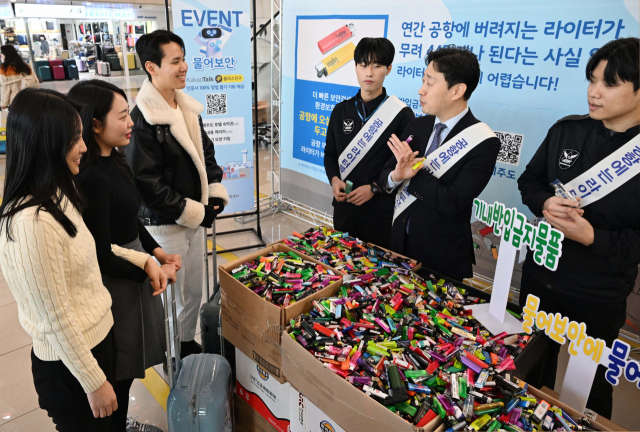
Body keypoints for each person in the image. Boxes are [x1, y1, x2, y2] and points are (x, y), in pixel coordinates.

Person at [0, 88, 168, 432]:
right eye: (74, 139)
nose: (83, 147)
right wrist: (94, 381)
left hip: (96, 343)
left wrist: (145, 261)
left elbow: (91, 245)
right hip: (71, 368)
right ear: (45, 145)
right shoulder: (32, 222)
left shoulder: (57, 195)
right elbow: (55, 316)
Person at [517, 37, 639, 418]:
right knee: (528, 369)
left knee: (592, 389)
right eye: (591, 80)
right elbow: (529, 182)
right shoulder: (567, 131)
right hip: (542, 276)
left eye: (609, 83)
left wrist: (592, 237)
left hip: (599, 291)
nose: (594, 92)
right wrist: (543, 202)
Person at [69, 80, 180, 432]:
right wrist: (148, 268)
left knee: (132, 366)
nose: (131, 122)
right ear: (95, 124)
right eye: (122, 116)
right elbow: (101, 254)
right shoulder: (90, 178)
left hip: (134, 269)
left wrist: (158, 252)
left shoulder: (114, 160)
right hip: (116, 283)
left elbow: (130, 219)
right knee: (118, 368)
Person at [124, 30, 228, 358]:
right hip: (164, 225)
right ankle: (170, 353)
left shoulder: (186, 107)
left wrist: (213, 195)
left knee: (193, 291)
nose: (184, 67)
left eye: (184, 59)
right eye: (175, 61)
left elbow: (206, 155)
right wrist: (196, 211)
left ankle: (184, 343)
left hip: (192, 219)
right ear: (152, 67)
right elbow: (148, 184)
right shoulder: (143, 120)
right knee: (172, 297)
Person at [381, 46, 501, 281]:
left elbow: (453, 201)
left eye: (430, 82)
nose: (421, 90)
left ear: (457, 90)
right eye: (423, 80)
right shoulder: (418, 125)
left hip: (440, 258)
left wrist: (413, 174)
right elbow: (386, 172)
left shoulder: (483, 141)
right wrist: (396, 176)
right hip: (398, 247)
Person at [323, 38, 414, 248]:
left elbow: (401, 166)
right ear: (355, 67)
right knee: (340, 263)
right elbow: (330, 154)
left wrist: (374, 188)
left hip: (380, 212)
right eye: (363, 65)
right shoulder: (341, 111)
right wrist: (335, 180)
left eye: (377, 66)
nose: (369, 73)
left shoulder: (402, 115)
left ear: (388, 69)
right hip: (344, 209)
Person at [0, 44, 39, 109]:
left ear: (5, 55)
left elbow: (5, 87)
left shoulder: (4, 69)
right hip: (29, 98)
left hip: (15, 101)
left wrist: (4, 103)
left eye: (1, 54)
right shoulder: (25, 66)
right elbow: (36, 81)